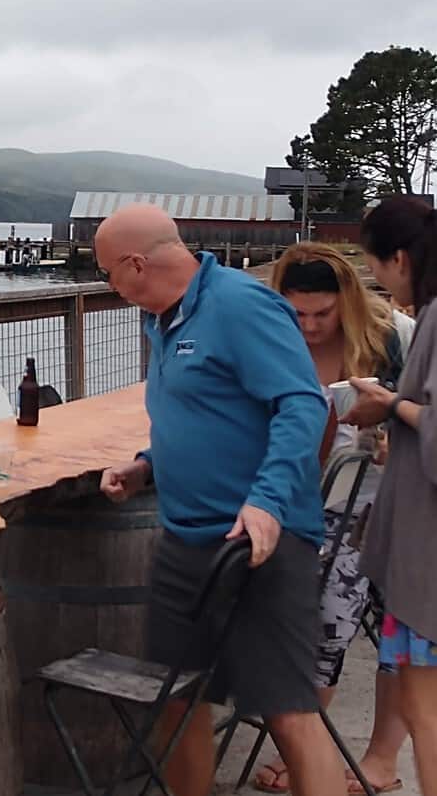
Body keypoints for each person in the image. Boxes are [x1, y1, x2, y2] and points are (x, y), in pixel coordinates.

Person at [96, 204, 345, 796]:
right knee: (179, 697)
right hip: (186, 541)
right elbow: (203, 412)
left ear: (135, 264)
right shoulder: (161, 318)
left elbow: (302, 403)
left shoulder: (238, 304)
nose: (109, 285)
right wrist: (146, 466)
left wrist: (264, 501)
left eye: (107, 273)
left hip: (261, 541)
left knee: (288, 710)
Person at [251, 243, 410, 794]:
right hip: (305, 505)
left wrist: (397, 433)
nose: (312, 325)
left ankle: (380, 758)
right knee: (308, 623)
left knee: (383, 629)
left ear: (347, 301)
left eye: (324, 313)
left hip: (387, 506)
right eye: (300, 313)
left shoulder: (393, 335)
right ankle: (306, 752)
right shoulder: (268, 337)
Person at [344, 197, 437, 796]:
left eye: (375, 266)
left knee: (425, 706)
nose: (377, 280)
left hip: (427, 559)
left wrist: (389, 405)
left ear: (400, 257)